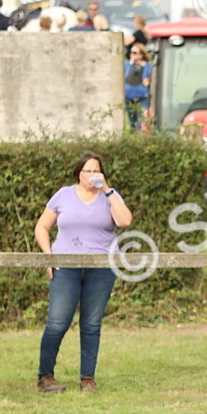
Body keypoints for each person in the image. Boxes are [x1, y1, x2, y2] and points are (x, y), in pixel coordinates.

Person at [34, 153, 133, 393]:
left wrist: (107, 190)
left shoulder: (110, 196)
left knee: (91, 324)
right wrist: (49, 256)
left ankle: (87, 379)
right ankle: (45, 377)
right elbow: (42, 227)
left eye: (96, 171)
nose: (91, 175)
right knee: (58, 322)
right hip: (65, 267)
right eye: (87, 171)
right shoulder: (64, 195)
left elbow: (125, 221)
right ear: (79, 173)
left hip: (101, 269)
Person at [124, 44, 152, 129]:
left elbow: (146, 80)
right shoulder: (126, 64)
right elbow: (126, 77)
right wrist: (131, 64)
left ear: (141, 54)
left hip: (142, 96)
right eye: (131, 52)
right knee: (132, 121)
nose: (132, 54)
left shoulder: (148, 66)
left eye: (135, 52)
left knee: (142, 121)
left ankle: (141, 139)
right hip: (129, 96)